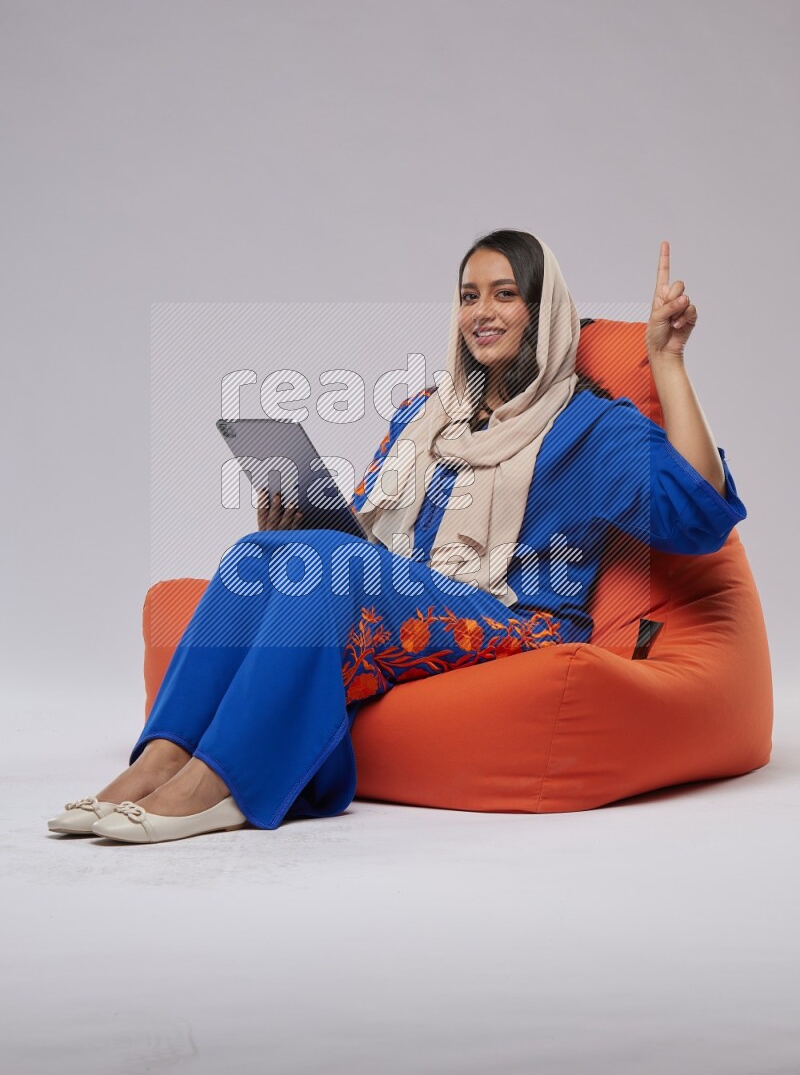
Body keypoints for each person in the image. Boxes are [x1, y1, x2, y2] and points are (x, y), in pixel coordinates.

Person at [47, 231, 747, 843]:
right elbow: (359, 536)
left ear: (542, 310)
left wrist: (668, 361)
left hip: (519, 620)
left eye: (506, 293)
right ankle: (157, 762)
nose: (483, 311)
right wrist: (293, 532)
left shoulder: (591, 426)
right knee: (254, 556)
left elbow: (698, 515)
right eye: (470, 294)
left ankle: (222, 784)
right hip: (401, 588)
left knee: (331, 567)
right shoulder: (427, 415)